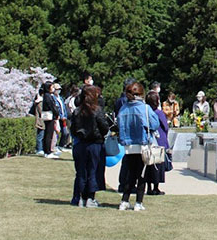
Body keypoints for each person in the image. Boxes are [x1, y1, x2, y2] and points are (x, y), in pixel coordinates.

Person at [117, 81, 159, 211]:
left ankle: (124, 200)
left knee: (129, 174)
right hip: (143, 144)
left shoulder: (123, 108)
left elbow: (119, 124)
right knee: (141, 174)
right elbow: (154, 124)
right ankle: (138, 202)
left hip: (128, 146)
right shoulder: (145, 108)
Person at [69, 85, 110, 208]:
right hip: (94, 144)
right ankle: (90, 198)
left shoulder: (77, 111)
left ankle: (80, 198)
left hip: (80, 144)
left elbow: (73, 129)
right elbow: (104, 126)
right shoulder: (97, 110)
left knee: (81, 172)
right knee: (94, 171)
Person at [144, 91, 169, 195]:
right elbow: (165, 126)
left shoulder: (145, 111)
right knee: (158, 165)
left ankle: (149, 187)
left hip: (148, 140)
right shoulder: (158, 113)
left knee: (148, 164)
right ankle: (156, 187)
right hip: (159, 140)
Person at [41, 81, 59, 158]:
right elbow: (52, 106)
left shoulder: (46, 95)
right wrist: (57, 114)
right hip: (50, 115)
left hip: (47, 115)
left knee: (47, 134)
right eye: (52, 87)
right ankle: (48, 151)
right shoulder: (48, 96)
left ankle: (46, 151)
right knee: (49, 134)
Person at [54, 82, 71, 150]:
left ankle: (61, 145)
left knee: (65, 132)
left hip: (64, 118)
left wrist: (65, 116)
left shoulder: (60, 98)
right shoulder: (53, 98)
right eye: (57, 89)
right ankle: (55, 145)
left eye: (59, 89)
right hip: (58, 118)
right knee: (57, 132)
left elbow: (63, 108)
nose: (58, 90)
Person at [29, 87, 46, 155]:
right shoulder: (40, 102)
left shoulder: (40, 101)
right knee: (40, 135)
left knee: (41, 135)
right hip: (40, 121)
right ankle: (39, 149)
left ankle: (41, 148)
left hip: (41, 120)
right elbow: (41, 111)